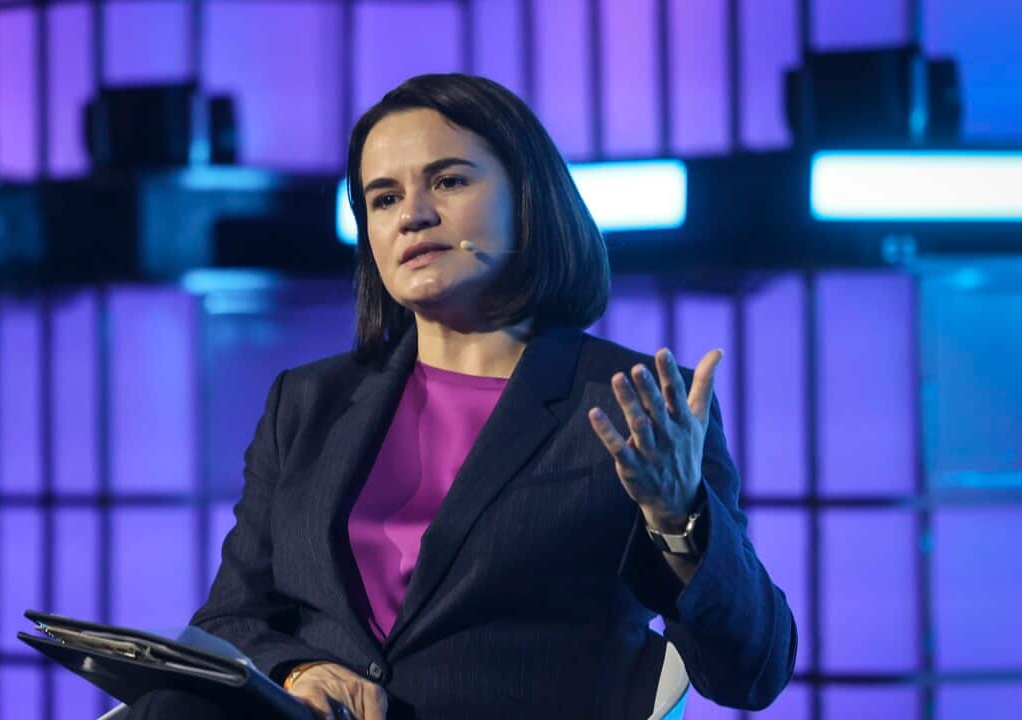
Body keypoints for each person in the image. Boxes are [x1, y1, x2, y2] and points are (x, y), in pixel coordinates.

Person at [127, 73, 796, 720]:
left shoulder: (639, 404)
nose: (413, 215)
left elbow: (752, 670)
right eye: (383, 199)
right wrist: (297, 672)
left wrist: (679, 518)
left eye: (448, 180)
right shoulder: (305, 403)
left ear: (527, 198)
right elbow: (229, 618)